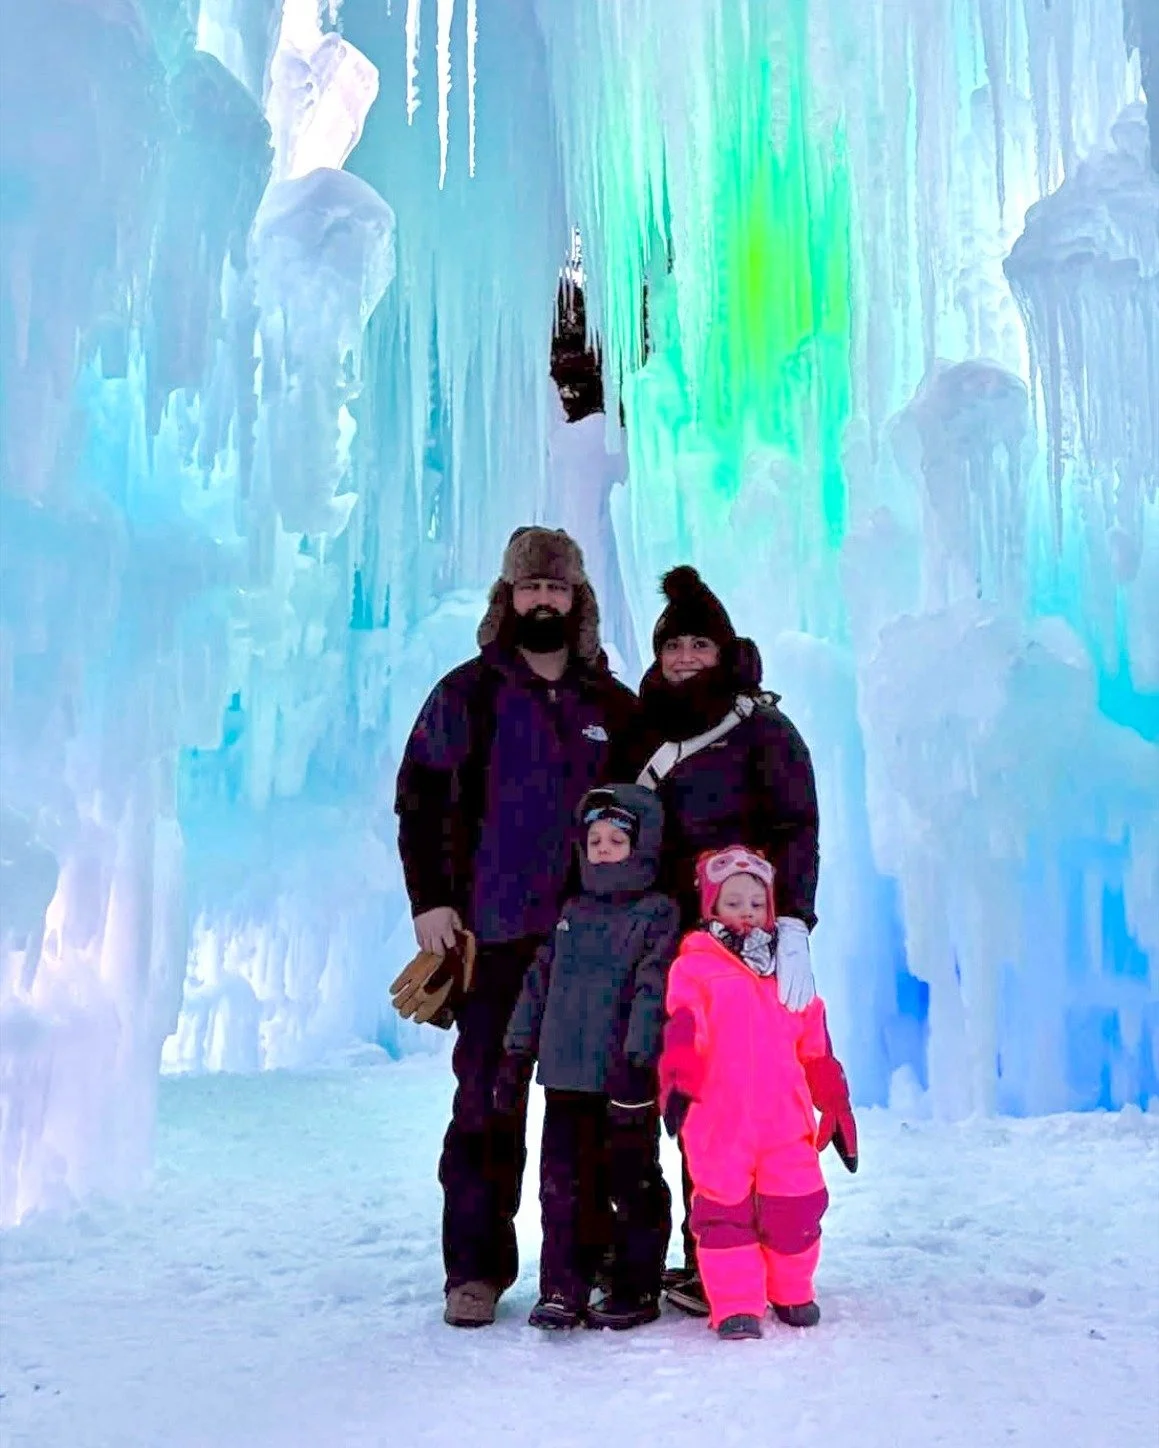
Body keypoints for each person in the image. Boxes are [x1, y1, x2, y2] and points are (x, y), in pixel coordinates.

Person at [394, 526, 638, 1328]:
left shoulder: (611, 705)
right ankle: (474, 1272)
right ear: (509, 596)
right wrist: (430, 900)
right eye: (530, 586)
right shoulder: (467, 694)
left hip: (588, 946)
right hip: (494, 938)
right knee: (485, 1108)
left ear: (576, 600)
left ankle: (586, 1264)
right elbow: (419, 799)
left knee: (586, 1111)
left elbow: (652, 809)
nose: (542, 600)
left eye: (556, 588)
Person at [623, 564, 823, 1316]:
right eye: (673, 645)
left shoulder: (762, 729)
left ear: (723, 649)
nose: (684, 658)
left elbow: (797, 826)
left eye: (698, 644)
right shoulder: (643, 724)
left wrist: (792, 920)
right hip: (657, 935)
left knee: (736, 1095)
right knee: (674, 1090)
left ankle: (749, 1259)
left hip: (740, 940)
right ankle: (695, 1254)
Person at [493, 784, 679, 1331]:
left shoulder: (656, 913)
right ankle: (563, 1286)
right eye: (594, 840)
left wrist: (640, 1059)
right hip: (566, 1077)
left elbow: (653, 989)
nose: (603, 849)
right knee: (562, 1185)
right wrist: (516, 1052)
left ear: (641, 847)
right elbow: (538, 984)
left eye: (616, 840)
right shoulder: (570, 912)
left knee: (631, 1181)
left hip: (624, 1081)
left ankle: (636, 1285)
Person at [659, 846, 857, 1340]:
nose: (745, 912)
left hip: (785, 1120)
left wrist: (832, 1098)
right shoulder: (695, 967)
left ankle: (792, 1290)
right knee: (724, 1214)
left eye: (755, 902)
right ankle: (737, 1304)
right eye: (732, 902)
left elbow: (814, 1041)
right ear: (711, 907)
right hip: (719, 1120)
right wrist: (679, 1078)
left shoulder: (788, 970)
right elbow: (685, 1026)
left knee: (795, 1206)